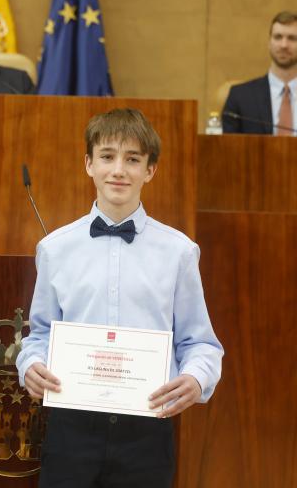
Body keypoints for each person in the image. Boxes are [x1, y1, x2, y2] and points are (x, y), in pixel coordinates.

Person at [15, 108, 224, 488]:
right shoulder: (54, 248)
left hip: (146, 433)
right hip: (71, 429)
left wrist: (195, 379)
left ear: (150, 170)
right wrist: (30, 365)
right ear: (88, 164)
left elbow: (201, 343)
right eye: (107, 156)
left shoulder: (179, 252)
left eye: (133, 159)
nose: (119, 170)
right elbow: (40, 335)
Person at [223, 11, 297, 135]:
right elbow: (227, 150)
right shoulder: (240, 97)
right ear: (269, 43)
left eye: (292, 38)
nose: (284, 45)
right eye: (278, 37)